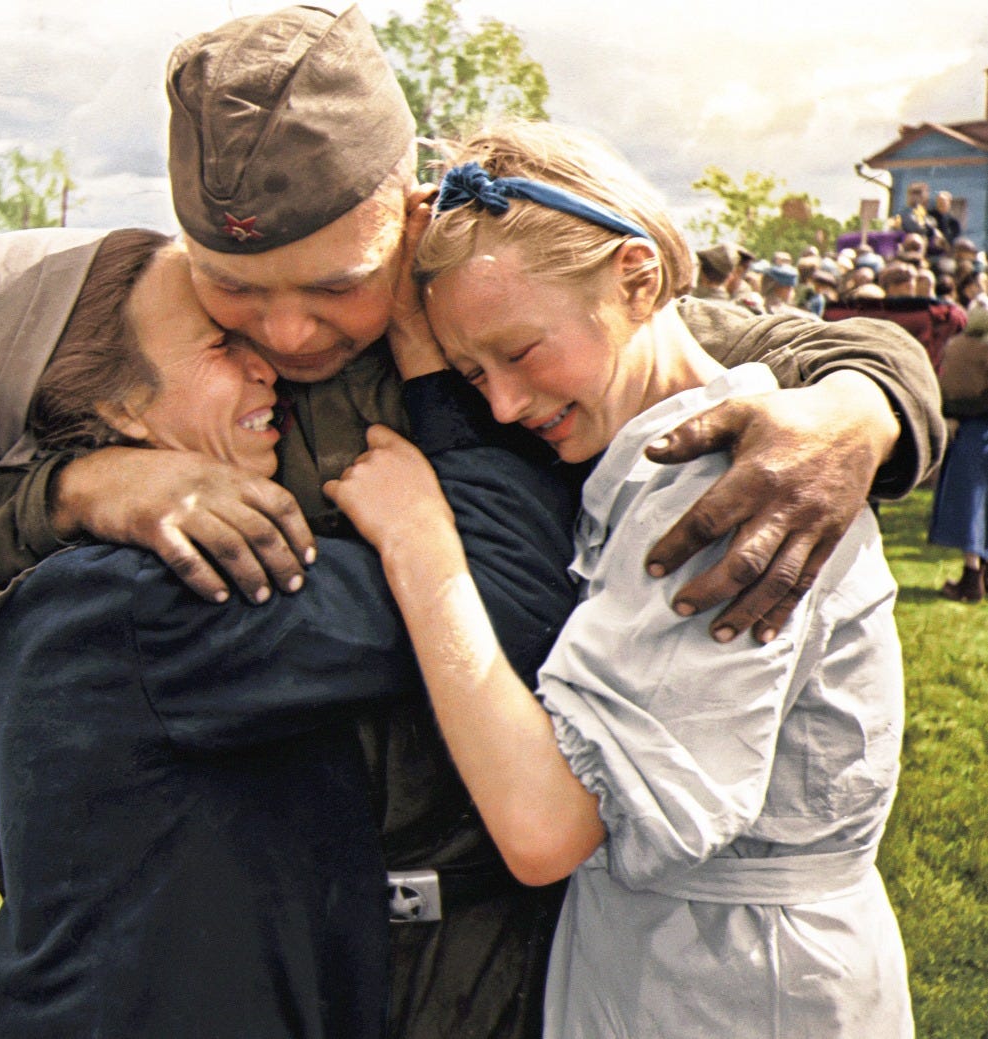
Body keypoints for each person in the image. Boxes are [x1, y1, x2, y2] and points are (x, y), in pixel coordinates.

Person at [0, 7, 945, 1037]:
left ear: (406, 208)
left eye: (339, 283)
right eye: (234, 291)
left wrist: (860, 408)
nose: (285, 332)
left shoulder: (500, 306)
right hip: (274, 936)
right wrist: (84, 489)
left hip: (497, 939)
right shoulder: (155, 379)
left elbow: (745, 344)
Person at [0, 225, 576, 1037]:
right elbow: (497, 596)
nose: (265, 362)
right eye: (219, 344)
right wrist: (422, 355)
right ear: (116, 409)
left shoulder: (88, 577)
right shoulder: (158, 599)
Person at [328, 120, 913, 1038]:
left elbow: (545, 827)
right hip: (666, 959)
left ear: (637, 278)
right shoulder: (636, 452)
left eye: (519, 352)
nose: (506, 405)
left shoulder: (720, 485)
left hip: (733, 987)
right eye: (473, 372)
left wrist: (418, 542)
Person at [929, 306, 988, 602]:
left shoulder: (958, 348)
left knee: (972, 506)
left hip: (971, 430)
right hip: (977, 428)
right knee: (978, 505)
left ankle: (971, 577)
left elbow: (949, 389)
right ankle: (976, 578)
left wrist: (950, 415)